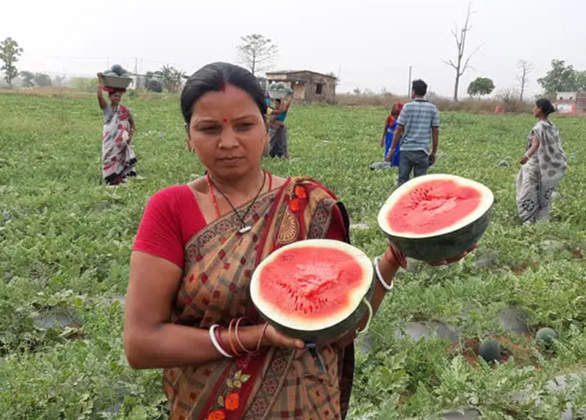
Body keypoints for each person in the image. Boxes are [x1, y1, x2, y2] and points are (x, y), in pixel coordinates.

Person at [124, 62, 473, 420]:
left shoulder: (310, 203)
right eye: (209, 129)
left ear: (266, 125)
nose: (229, 142)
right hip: (207, 405)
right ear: (188, 135)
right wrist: (256, 337)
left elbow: (338, 333)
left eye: (245, 125)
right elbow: (141, 345)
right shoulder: (170, 208)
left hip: (307, 406)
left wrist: (397, 255)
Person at [516, 98, 567, 223]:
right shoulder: (552, 126)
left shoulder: (539, 127)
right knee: (542, 192)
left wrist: (526, 156)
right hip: (546, 166)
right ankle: (541, 219)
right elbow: (556, 146)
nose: (533, 109)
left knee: (527, 192)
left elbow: (535, 145)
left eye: (535, 107)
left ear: (540, 109)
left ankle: (528, 219)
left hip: (534, 165)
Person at [386, 79, 439, 187]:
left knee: (402, 183)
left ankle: (402, 204)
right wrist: (433, 152)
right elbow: (435, 131)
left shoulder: (407, 107)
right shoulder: (432, 109)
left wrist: (391, 150)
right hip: (422, 152)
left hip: (406, 151)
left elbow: (399, 129)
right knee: (419, 185)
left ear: (413, 92)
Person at [97, 73, 137, 185]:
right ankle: (110, 180)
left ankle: (122, 179)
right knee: (108, 159)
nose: (118, 98)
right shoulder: (107, 109)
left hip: (122, 143)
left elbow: (132, 124)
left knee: (122, 160)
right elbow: (99, 96)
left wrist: (130, 135)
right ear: (110, 97)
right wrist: (100, 80)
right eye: (115, 96)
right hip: (110, 143)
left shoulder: (125, 110)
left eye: (119, 96)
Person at [268, 93, 292, 159]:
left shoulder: (282, 112)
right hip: (274, 129)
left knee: (282, 143)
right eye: (275, 104)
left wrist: (288, 98)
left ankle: (284, 155)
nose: (276, 105)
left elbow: (287, 106)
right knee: (273, 142)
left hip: (281, 130)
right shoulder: (274, 111)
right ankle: (272, 154)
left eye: (277, 104)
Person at [381, 102, 403, 167]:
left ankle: (396, 163)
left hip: (399, 137)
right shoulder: (389, 118)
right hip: (390, 136)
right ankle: (388, 162)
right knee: (389, 148)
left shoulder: (401, 118)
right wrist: (382, 139)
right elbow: (385, 128)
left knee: (397, 150)